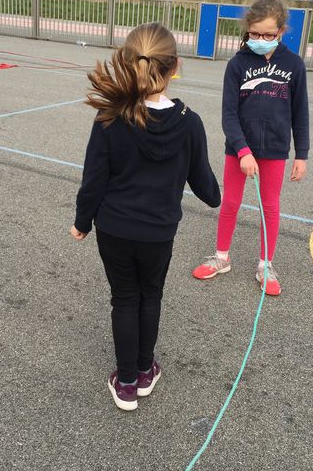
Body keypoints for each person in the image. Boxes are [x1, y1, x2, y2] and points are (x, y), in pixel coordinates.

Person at [71, 22, 220, 411]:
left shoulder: (109, 117)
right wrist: (216, 194)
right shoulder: (189, 122)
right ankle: (142, 371)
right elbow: (204, 184)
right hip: (158, 232)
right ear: (175, 66)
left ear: (127, 61)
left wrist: (82, 221)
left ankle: (125, 383)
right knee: (149, 296)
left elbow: (94, 179)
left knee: (124, 298)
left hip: (115, 229)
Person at [192, 0, 309, 296]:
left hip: (275, 149)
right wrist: (242, 150)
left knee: (269, 206)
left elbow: (300, 112)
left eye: (268, 35)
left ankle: (265, 264)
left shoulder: (294, 65)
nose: (261, 40)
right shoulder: (237, 64)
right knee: (230, 201)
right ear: (248, 31)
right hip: (239, 149)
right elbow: (228, 114)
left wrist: (302, 154)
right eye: (255, 34)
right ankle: (221, 257)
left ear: (281, 31)